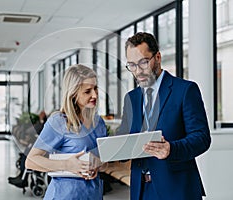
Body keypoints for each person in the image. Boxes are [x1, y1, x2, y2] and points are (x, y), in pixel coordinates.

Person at [118, 32, 211, 200]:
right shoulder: (131, 98)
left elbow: (201, 138)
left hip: (176, 189)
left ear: (158, 57)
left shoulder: (185, 90)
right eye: (131, 65)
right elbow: (126, 137)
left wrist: (171, 149)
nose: (138, 71)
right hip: (141, 190)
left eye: (144, 62)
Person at [25, 64, 107, 200]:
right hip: (65, 195)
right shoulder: (59, 121)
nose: (95, 95)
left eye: (96, 88)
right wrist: (67, 165)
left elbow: (105, 163)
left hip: (93, 194)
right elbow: (31, 161)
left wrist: (98, 165)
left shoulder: (99, 123)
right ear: (73, 93)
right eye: (87, 91)